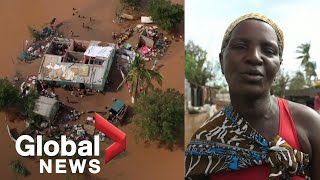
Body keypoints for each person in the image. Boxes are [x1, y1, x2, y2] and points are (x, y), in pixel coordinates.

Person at [185, 13, 320, 180]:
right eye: (240, 46)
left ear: (278, 66)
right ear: (221, 61)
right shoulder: (204, 142)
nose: (254, 57)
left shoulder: (310, 125)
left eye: (269, 50)